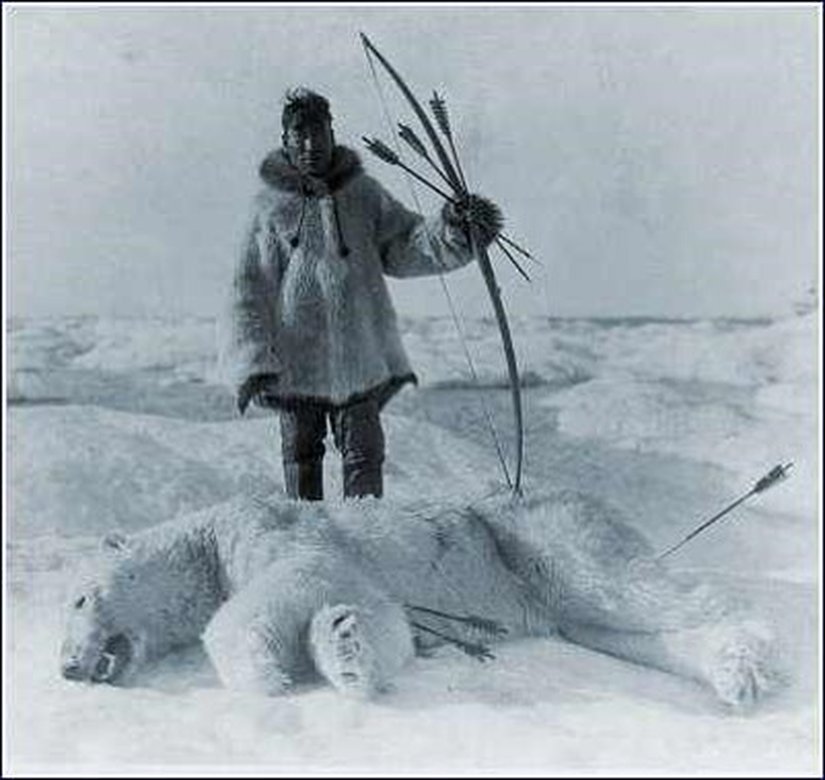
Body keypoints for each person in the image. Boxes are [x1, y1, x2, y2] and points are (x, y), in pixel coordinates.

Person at [220, 88, 502, 501]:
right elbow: (247, 289)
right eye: (300, 134)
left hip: (360, 359)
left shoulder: (364, 195)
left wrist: (456, 228)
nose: (311, 143)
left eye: (319, 132)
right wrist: (253, 362)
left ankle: (368, 548)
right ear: (286, 139)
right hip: (296, 364)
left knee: (365, 457)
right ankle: (308, 549)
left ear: (332, 133)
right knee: (301, 459)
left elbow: (407, 244)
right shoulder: (268, 208)